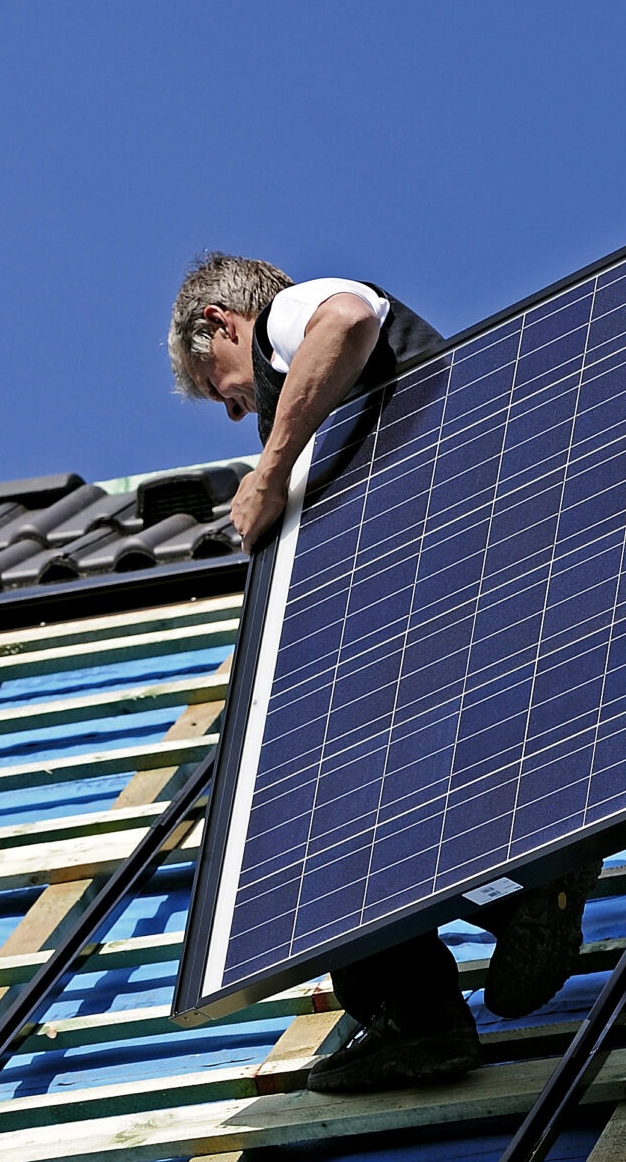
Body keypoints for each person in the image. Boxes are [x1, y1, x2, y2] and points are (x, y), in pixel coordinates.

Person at [169, 252, 597, 1093]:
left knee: (312, 810)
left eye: (215, 381)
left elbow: (350, 320)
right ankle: (529, 894)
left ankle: (420, 1020)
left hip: (445, 552)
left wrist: (271, 468)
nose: (231, 407)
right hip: (453, 571)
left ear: (221, 322)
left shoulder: (292, 314)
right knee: (391, 805)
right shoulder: (333, 416)